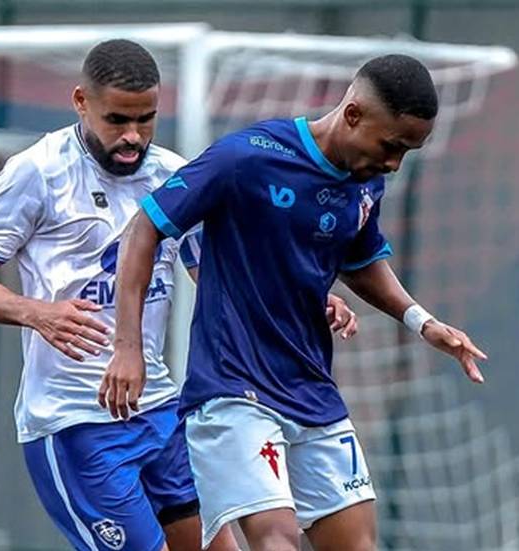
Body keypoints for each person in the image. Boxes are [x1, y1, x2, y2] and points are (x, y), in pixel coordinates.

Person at [0, 38, 358, 551]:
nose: (133, 137)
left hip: (159, 408)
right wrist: (41, 314)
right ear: (81, 101)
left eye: (147, 119)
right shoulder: (37, 171)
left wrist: (301, 299)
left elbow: (217, 273)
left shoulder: (170, 173)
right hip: (74, 421)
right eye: (117, 119)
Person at [106, 54, 490, 551]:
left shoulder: (365, 180)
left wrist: (421, 321)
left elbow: (360, 258)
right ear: (353, 114)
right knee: (277, 541)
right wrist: (128, 347)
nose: (394, 164)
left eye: (407, 153)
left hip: (312, 390)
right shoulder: (246, 158)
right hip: (233, 391)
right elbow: (145, 227)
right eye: (391, 146)